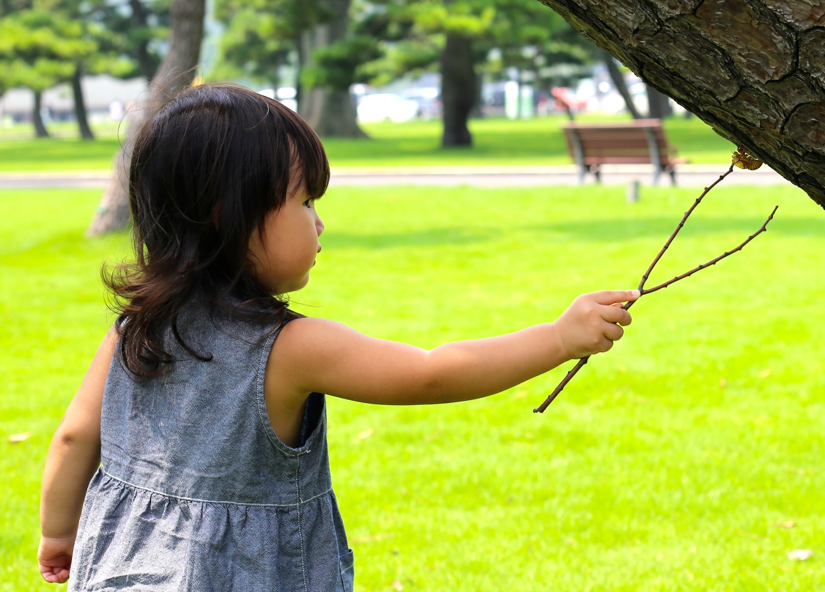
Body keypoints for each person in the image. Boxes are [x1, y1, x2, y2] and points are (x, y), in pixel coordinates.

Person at [37, 84, 636, 590]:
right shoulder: (291, 348)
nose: (320, 222)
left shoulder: (132, 330)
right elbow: (431, 372)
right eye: (305, 202)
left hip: (121, 567)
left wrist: (60, 534)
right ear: (229, 212)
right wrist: (560, 337)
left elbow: (72, 439)